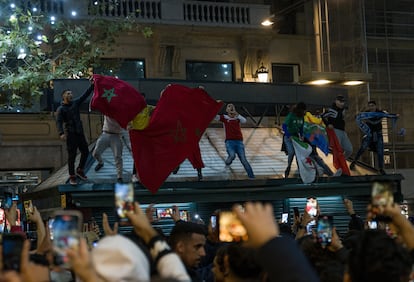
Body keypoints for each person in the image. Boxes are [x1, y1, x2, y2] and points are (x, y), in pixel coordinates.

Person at [56, 82, 94, 185]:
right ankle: (72, 176)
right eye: (68, 93)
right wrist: (61, 133)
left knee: (85, 151)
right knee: (72, 156)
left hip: (79, 132)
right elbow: (58, 122)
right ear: (63, 96)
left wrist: (93, 85)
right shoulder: (61, 109)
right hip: (70, 134)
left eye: (71, 93)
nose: (70, 95)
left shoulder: (75, 103)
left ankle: (80, 169)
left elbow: (85, 95)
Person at [350, 100, 399, 175]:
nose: (371, 107)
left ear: (375, 106)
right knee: (362, 148)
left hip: (378, 135)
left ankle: (381, 168)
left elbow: (389, 115)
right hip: (369, 134)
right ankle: (354, 161)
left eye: (372, 106)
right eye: (370, 106)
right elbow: (358, 117)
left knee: (380, 151)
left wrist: (395, 115)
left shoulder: (380, 113)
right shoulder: (366, 114)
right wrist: (357, 115)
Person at [214, 103, 255, 179]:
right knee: (232, 155)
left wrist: (236, 114)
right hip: (229, 141)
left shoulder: (237, 118)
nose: (231, 108)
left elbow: (244, 121)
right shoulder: (225, 117)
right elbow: (214, 117)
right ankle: (227, 162)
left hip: (239, 141)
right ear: (227, 110)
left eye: (232, 107)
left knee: (243, 160)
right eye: (229, 107)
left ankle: (251, 177)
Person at [92, 115, 124, 183]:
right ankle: (101, 163)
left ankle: (119, 176)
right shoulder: (107, 109)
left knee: (118, 156)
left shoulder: (121, 111)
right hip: (105, 133)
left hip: (116, 135)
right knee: (95, 153)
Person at [322, 95, 353, 159]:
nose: (342, 103)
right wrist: (328, 124)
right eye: (340, 101)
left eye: (343, 102)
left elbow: (345, 118)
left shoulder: (343, 110)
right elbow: (322, 116)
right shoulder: (331, 110)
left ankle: (341, 161)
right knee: (337, 149)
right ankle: (339, 164)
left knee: (349, 149)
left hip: (343, 131)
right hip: (335, 130)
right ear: (336, 101)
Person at [282, 102, 306, 178]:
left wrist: (302, 135)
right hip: (288, 137)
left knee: (298, 154)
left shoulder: (302, 117)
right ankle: (288, 167)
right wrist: (289, 135)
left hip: (296, 137)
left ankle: (300, 170)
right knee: (291, 152)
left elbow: (301, 127)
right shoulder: (291, 115)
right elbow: (284, 125)